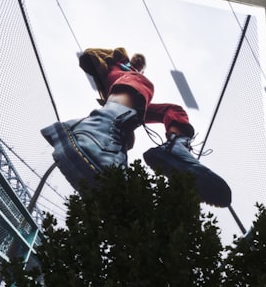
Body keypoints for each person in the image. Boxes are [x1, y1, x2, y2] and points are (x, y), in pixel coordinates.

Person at [41, 47, 231, 207]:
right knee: (141, 82)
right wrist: (106, 60)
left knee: (173, 110)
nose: (139, 65)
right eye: (138, 62)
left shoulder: (135, 74)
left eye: (142, 66)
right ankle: (97, 127)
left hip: (131, 103)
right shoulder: (118, 62)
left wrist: (126, 135)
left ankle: (175, 146)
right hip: (120, 90)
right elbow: (90, 56)